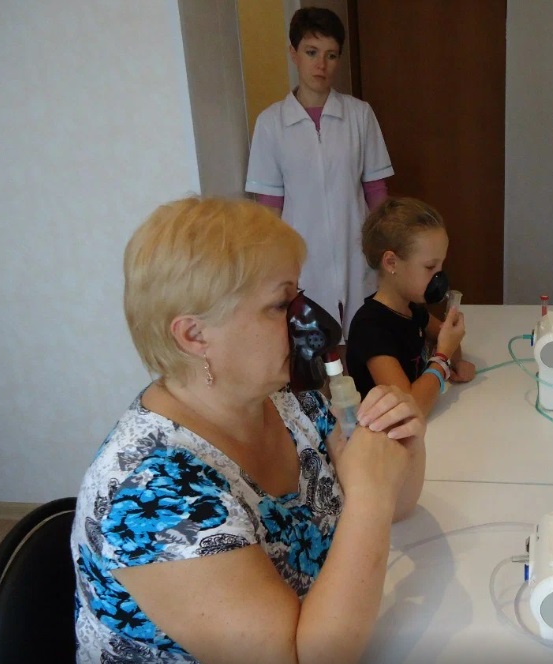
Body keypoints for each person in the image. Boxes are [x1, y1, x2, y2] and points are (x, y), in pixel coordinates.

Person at [70, 197, 426, 664]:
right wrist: (370, 497)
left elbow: (400, 505)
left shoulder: (286, 399)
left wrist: (404, 438)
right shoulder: (152, 496)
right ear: (194, 335)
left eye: (299, 296)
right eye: (281, 304)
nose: (313, 322)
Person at [245, 6, 393, 332]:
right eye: (311, 52)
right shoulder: (271, 124)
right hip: (301, 258)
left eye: (331, 55)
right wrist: (269, 268)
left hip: (357, 253)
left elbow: (376, 191)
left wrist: (385, 250)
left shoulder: (360, 115)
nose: (321, 65)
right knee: (314, 345)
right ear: (293, 54)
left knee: (363, 336)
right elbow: (268, 210)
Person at [346, 197, 476, 417]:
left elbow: (449, 343)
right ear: (391, 263)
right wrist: (443, 358)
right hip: (386, 434)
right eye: (430, 267)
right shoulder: (370, 327)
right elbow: (408, 407)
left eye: (441, 265)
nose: (439, 276)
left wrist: (452, 356)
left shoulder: (413, 309)